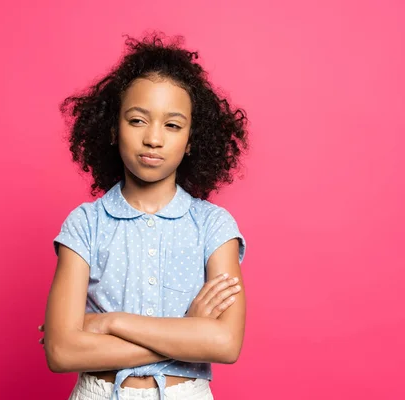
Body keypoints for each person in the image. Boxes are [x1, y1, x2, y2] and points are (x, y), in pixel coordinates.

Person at [39, 33, 249, 400]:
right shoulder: (86, 224)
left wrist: (108, 323)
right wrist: (187, 333)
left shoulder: (214, 226)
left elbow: (226, 343)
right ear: (112, 127)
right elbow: (61, 352)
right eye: (137, 121)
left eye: (172, 125)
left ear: (191, 139)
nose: (154, 138)